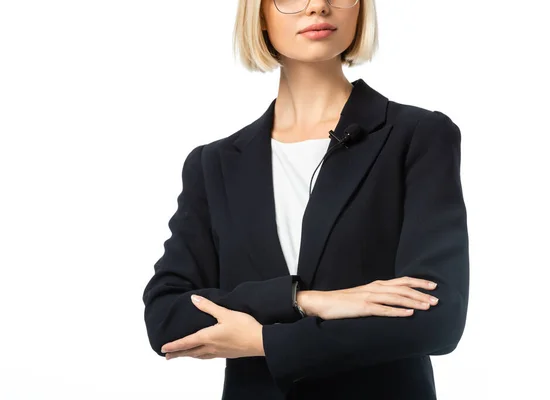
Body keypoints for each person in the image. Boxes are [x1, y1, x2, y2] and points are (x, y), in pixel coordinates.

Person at [141, 0, 470, 399]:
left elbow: (437, 319)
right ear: (259, 15)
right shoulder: (214, 165)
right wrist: (305, 302)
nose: (318, 6)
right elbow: (166, 317)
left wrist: (264, 342)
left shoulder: (418, 136)